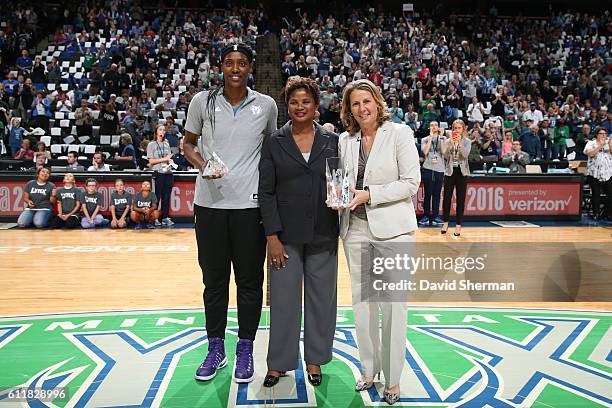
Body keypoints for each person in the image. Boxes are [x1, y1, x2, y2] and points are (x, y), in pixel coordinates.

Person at [183, 43, 278, 384]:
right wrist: (202, 163)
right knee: (214, 281)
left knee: (250, 282)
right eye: (229, 62)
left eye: (241, 63)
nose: (235, 68)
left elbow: (272, 149)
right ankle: (215, 347)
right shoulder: (202, 102)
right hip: (209, 206)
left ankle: (246, 348)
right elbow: (188, 143)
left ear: (250, 67)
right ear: (220, 67)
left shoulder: (266, 105)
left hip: (250, 208)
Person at [337, 79, 420, 405]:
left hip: (394, 232)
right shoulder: (346, 140)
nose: (362, 108)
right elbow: (341, 182)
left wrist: (369, 195)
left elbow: (410, 183)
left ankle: (393, 378)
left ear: (377, 102)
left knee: (394, 307)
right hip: (354, 229)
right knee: (364, 306)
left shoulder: (399, 133)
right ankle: (369, 369)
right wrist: (340, 197)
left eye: (366, 101)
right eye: (355, 104)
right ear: (349, 109)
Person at [258, 77, 339, 388]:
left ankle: (315, 359)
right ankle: (279, 363)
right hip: (285, 238)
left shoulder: (331, 141)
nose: (300, 107)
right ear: (286, 106)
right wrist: (272, 237)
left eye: (306, 101)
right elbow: (266, 192)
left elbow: (338, 183)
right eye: (294, 102)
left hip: (323, 233)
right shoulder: (274, 142)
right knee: (283, 301)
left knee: (322, 301)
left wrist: (341, 200)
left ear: (316, 106)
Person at [441, 119, 471, 236]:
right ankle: (445, 223)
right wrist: (451, 145)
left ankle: (458, 225)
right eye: (455, 128)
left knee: (460, 200)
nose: (457, 130)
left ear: (463, 129)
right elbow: (446, 156)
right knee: (447, 199)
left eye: (459, 128)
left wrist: (460, 144)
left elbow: (465, 155)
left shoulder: (467, 141)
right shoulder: (448, 141)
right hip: (450, 172)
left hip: (462, 172)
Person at [147, 124, 175, 226]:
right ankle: (154, 217)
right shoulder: (151, 144)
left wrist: (172, 165)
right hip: (158, 173)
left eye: (164, 130)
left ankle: (165, 217)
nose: (162, 131)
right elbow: (151, 161)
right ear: (156, 131)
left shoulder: (167, 144)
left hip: (168, 173)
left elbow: (169, 159)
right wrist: (165, 159)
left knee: (166, 197)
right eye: (160, 129)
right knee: (156, 197)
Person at [419, 121, 446, 226]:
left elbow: (443, 152)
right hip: (428, 168)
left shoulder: (443, 139)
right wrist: (430, 137)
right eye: (431, 125)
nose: (433, 127)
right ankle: (426, 215)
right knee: (428, 194)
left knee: (437, 194)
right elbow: (425, 152)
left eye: (435, 125)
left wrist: (441, 137)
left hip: (439, 169)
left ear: (438, 127)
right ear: (429, 127)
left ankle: (435, 216)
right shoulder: (425, 139)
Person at [583, 127, 612, 221]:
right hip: (594, 173)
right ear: (597, 135)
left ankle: (608, 214)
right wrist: (601, 146)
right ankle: (596, 213)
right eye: (601, 133)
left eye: (605, 134)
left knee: (610, 194)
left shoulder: (609, 143)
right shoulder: (591, 143)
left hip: (608, 173)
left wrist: (610, 144)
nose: (604, 135)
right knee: (596, 194)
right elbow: (590, 154)